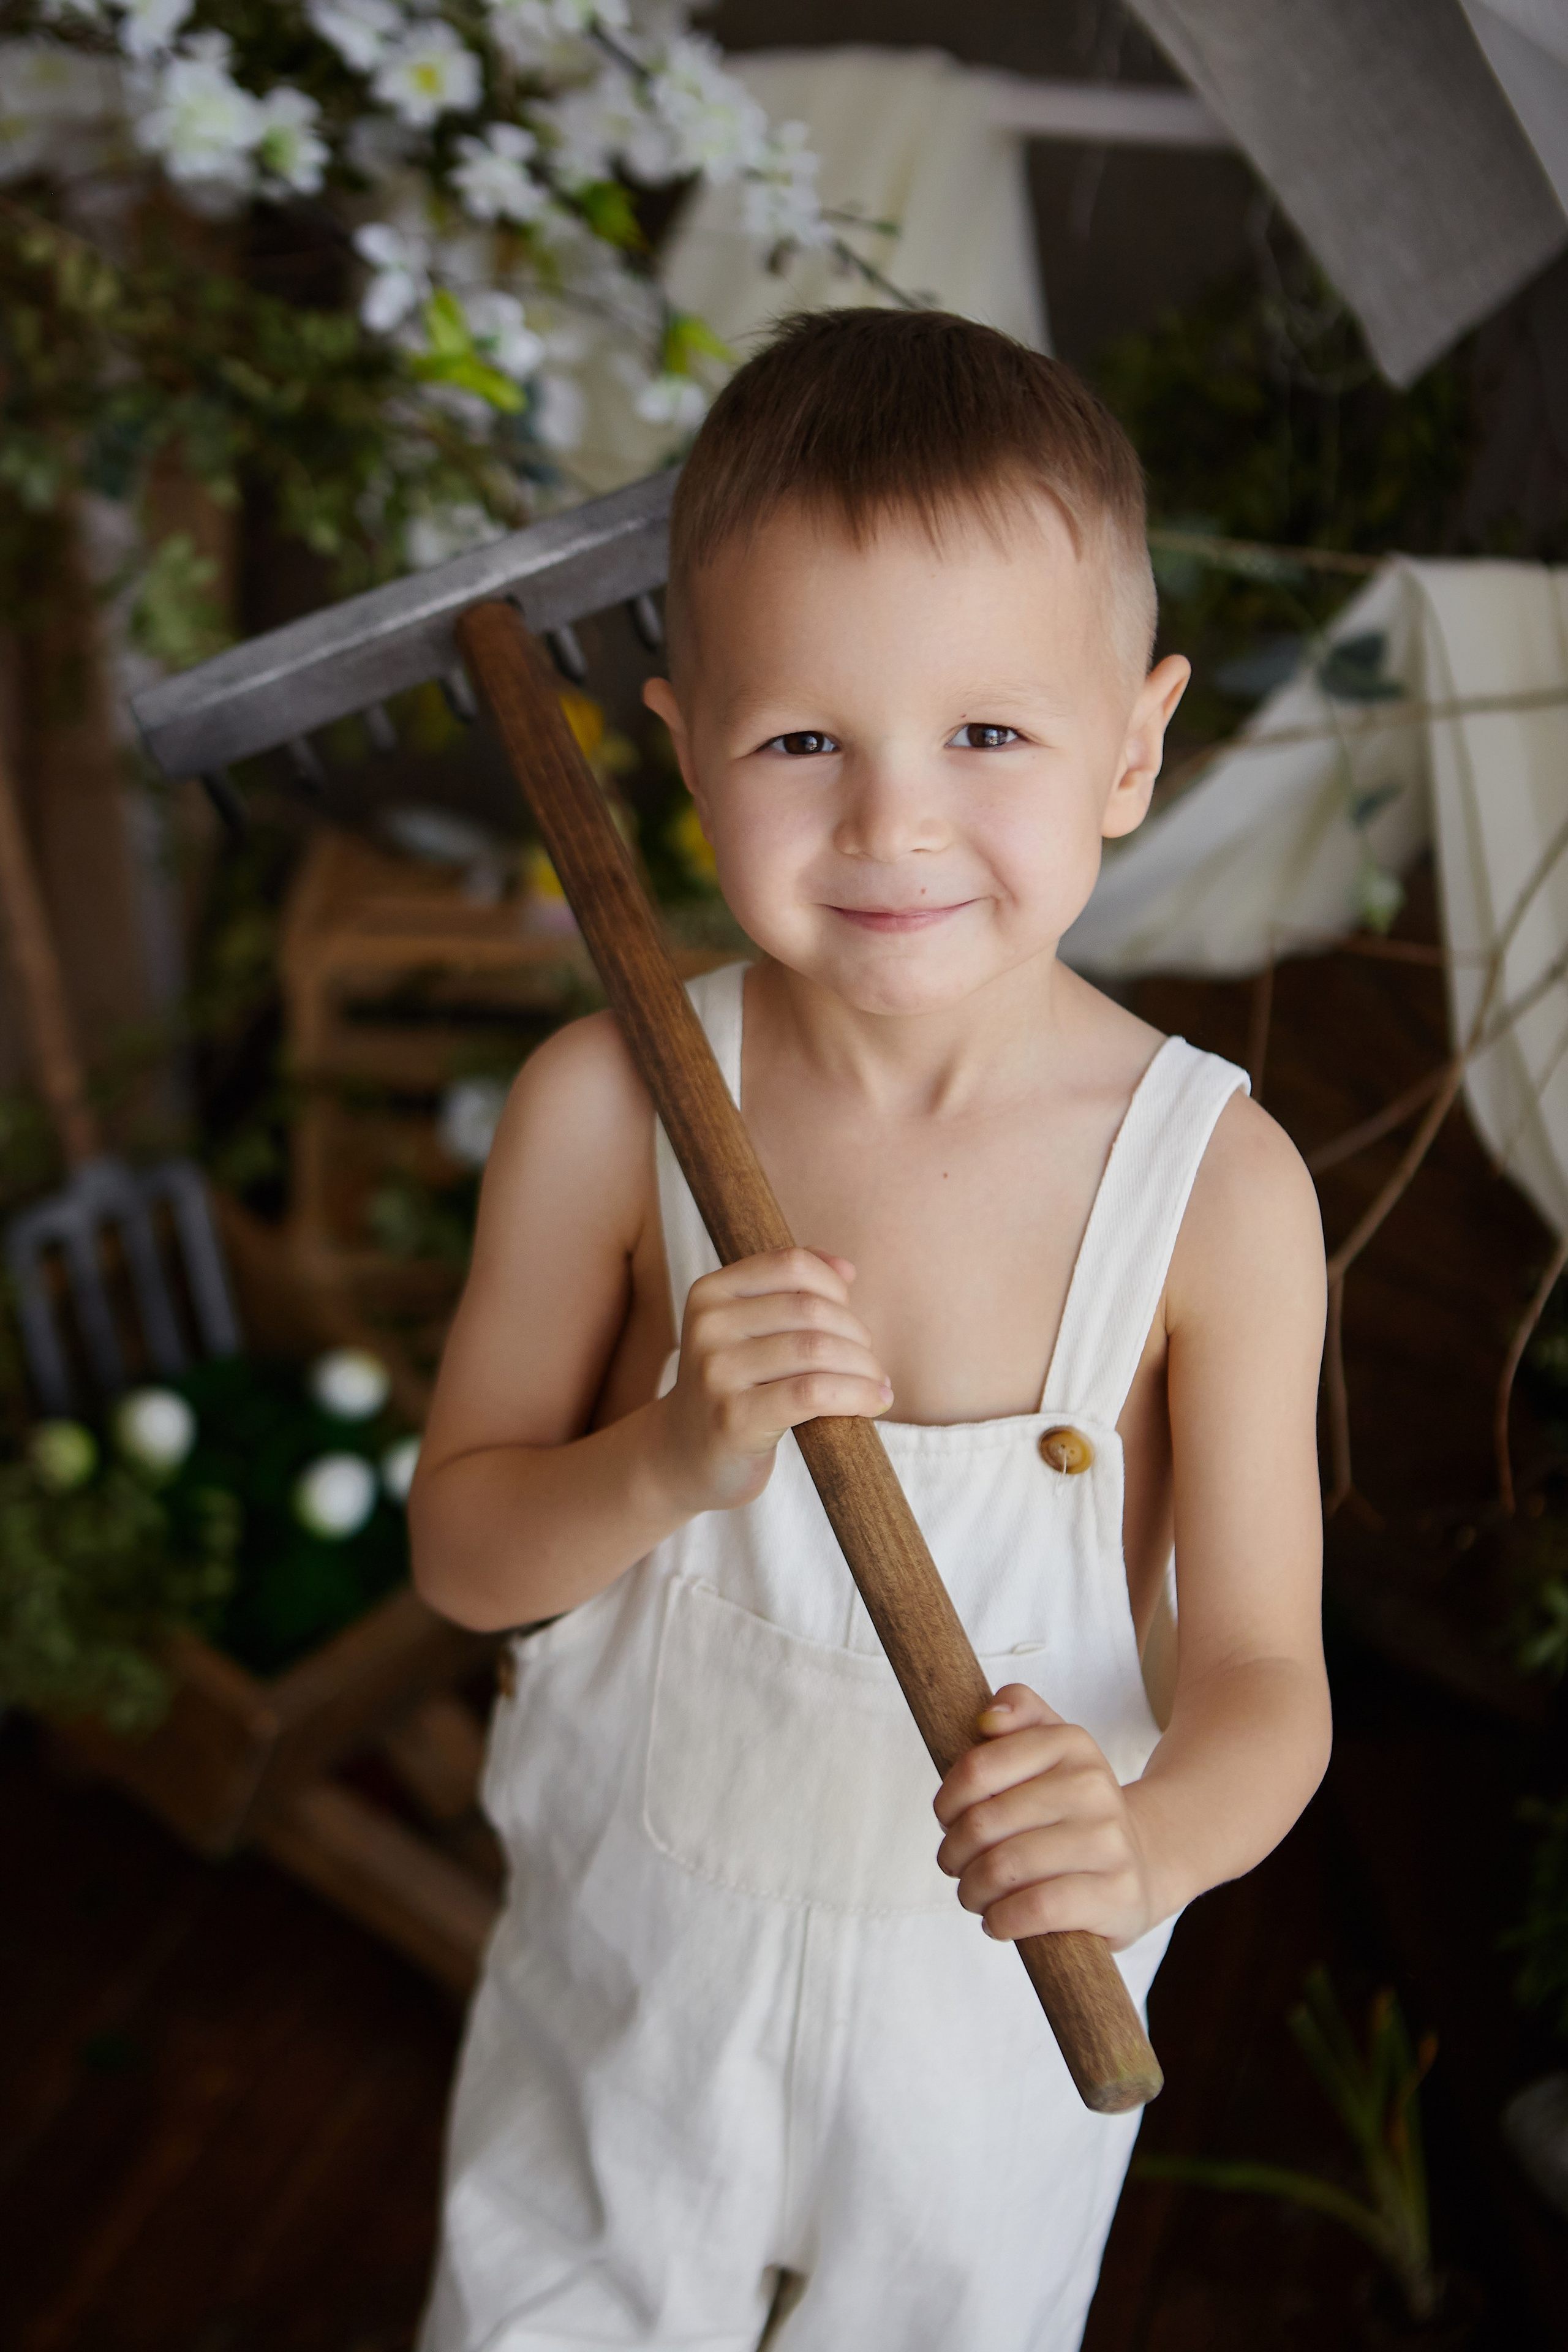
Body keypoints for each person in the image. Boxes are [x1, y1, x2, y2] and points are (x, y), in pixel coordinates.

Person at [410, 307, 1330, 2352]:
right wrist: (670, 1457)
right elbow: (466, 1556)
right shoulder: (606, 1109)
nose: (894, 822)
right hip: (630, 2018)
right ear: (680, 749)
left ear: (1134, 741)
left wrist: (1142, 1838)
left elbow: (1270, 1687)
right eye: (804, 740)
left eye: (987, 735)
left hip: (980, 2064)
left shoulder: (1218, 1193)